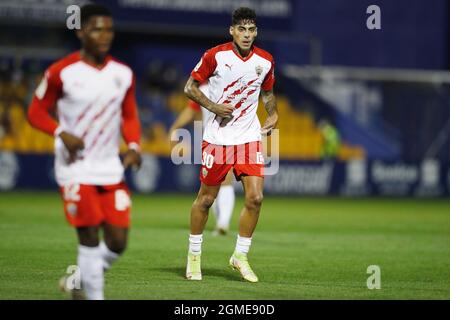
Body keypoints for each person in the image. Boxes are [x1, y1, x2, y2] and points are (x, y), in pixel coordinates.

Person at [27, 3, 141, 300]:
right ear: (81, 32)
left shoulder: (123, 74)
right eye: (97, 29)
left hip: (109, 167)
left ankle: (79, 281)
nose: (105, 35)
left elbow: (129, 115)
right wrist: (60, 132)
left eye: (109, 29)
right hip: (75, 167)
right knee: (89, 236)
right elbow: (35, 112)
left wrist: (133, 146)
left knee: (118, 241)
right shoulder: (61, 72)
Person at [183, 7, 278, 282]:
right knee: (206, 200)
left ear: (256, 32)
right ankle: (194, 255)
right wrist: (213, 106)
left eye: (251, 30)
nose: (246, 35)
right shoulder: (216, 55)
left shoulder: (266, 60)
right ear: (232, 31)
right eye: (241, 30)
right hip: (218, 139)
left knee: (256, 198)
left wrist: (273, 114)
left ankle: (240, 256)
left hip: (248, 137)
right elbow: (189, 87)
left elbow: (268, 94)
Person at [169, 93, 235, 236]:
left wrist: (175, 127)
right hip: (228, 135)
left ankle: (222, 223)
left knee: (213, 182)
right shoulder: (231, 85)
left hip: (213, 138)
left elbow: (190, 111)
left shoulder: (203, 90)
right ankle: (222, 222)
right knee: (222, 181)